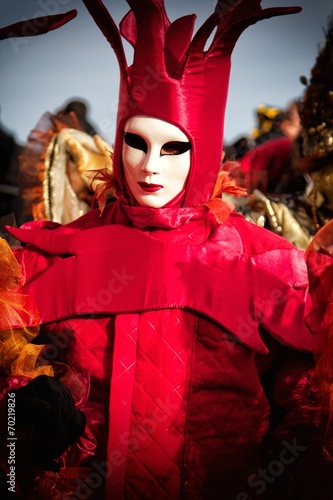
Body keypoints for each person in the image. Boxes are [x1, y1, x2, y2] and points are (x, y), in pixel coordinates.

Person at [0, 1, 330, 499]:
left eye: (174, 147)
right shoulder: (48, 255)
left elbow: (308, 398)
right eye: (136, 141)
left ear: (206, 147)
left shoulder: (263, 260)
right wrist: (16, 418)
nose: (150, 165)